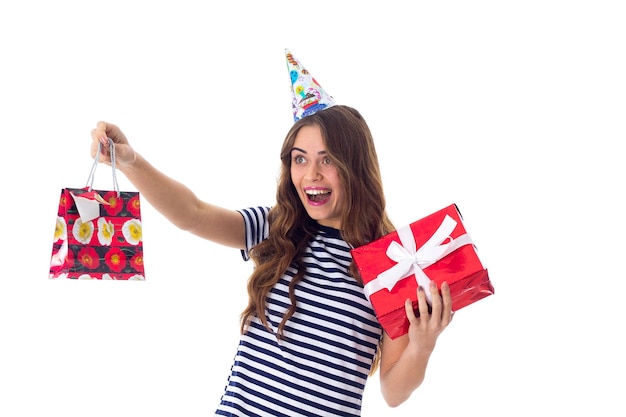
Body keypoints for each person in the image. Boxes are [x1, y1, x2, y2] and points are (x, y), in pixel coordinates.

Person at [90, 50, 453, 416]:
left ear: (354, 166)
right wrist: (132, 161)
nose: (311, 174)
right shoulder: (274, 228)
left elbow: (392, 392)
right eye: (300, 158)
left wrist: (422, 345)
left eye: (327, 159)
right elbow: (192, 215)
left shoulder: (392, 262)